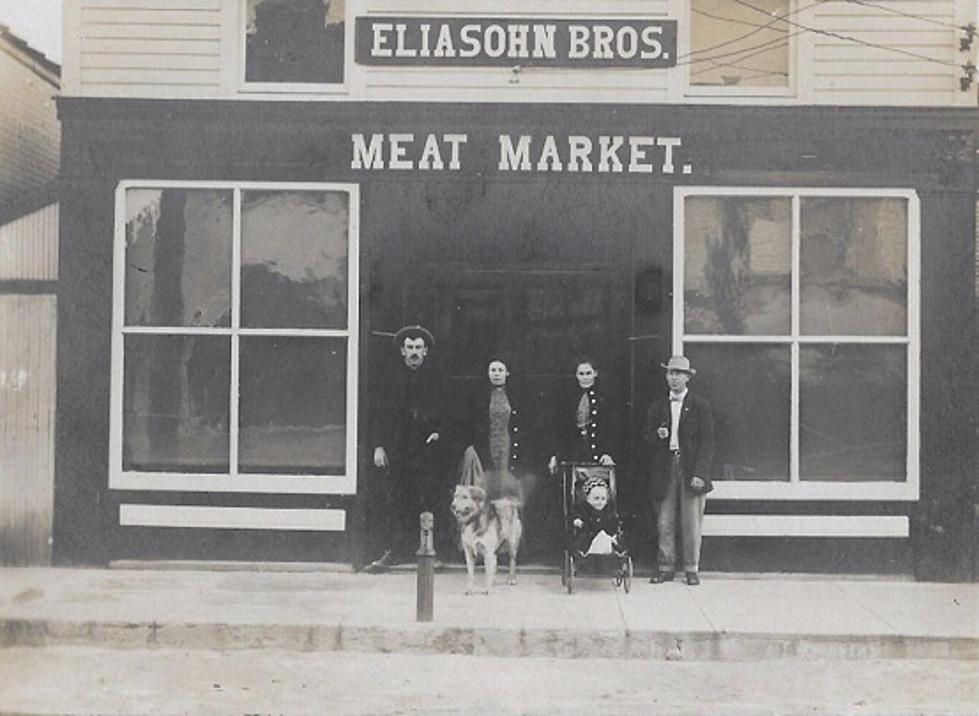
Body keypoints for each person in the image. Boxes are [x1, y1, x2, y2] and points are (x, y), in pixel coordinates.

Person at [364, 325, 444, 573]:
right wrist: (378, 445)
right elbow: (378, 414)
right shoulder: (390, 380)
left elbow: (448, 412)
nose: (414, 352)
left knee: (428, 499)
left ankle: (429, 552)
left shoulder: (437, 379)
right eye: (409, 347)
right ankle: (394, 551)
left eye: (418, 348)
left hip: (427, 452)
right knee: (397, 500)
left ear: (426, 352)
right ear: (402, 351)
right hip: (398, 450)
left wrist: (439, 432)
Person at [643, 355, 715, 586]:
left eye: (678, 374)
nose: (673, 378)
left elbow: (708, 442)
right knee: (664, 520)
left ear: (687, 378)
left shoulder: (700, 406)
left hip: (690, 467)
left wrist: (700, 474)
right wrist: (657, 436)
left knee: (691, 520)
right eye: (670, 373)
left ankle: (691, 569)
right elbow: (645, 439)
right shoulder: (657, 407)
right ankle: (665, 567)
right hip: (665, 467)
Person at [461, 357, 533, 502]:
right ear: (488, 373)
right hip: (486, 446)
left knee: (508, 490)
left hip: (508, 445)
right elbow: (470, 423)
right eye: (493, 370)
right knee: (486, 488)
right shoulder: (479, 398)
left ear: (507, 373)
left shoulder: (515, 397)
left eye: (500, 370)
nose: (497, 374)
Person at [548, 358, 619, 473]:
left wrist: (608, 453)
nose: (585, 377)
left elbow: (612, 428)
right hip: (573, 452)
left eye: (588, 373)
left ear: (595, 373)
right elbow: (560, 429)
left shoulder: (605, 397)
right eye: (581, 374)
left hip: (598, 453)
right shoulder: (567, 397)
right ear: (576, 375)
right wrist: (555, 455)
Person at [572, 475, 624, 557]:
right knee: (592, 538)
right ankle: (588, 555)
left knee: (607, 537)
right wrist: (578, 521)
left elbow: (613, 525)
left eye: (603, 499)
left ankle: (613, 555)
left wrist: (614, 527)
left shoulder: (608, 511)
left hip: (606, 539)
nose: (600, 502)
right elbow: (579, 519)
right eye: (596, 498)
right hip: (589, 539)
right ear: (588, 499)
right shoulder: (584, 510)